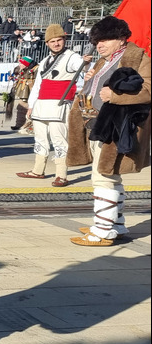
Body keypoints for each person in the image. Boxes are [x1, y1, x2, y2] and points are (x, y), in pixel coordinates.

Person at [67, 16, 150, 246]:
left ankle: (103, 230)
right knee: (111, 176)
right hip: (98, 126)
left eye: (104, 39)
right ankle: (116, 224)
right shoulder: (105, 60)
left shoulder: (138, 58)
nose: (99, 45)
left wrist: (114, 96)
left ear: (122, 39)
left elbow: (149, 90)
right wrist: (92, 81)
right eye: (96, 41)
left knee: (103, 177)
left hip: (118, 127)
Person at [16, 24, 84, 186]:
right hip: (41, 105)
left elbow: (82, 77)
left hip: (59, 106)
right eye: (52, 41)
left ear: (64, 40)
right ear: (47, 43)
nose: (56, 43)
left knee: (59, 140)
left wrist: (71, 95)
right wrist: (32, 105)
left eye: (59, 40)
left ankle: (62, 174)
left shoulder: (73, 57)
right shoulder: (45, 60)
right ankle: (38, 170)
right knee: (40, 140)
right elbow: (38, 85)